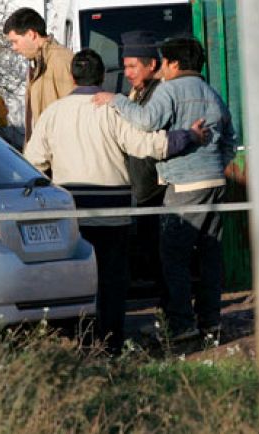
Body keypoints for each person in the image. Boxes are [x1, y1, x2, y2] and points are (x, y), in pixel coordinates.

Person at [23, 48, 207, 354]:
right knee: (112, 280)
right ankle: (111, 344)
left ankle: (81, 342)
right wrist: (187, 136)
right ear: (103, 77)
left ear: (72, 77)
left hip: (73, 212)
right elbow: (148, 145)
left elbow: (33, 162)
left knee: (78, 281)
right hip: (114, 213)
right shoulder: (112, 108)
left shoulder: (53, 113)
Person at [94, 37, 236, 341]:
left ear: (173, 64)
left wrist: (116, 100)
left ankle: (181, 324)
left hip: (184, 184)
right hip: (216, 184)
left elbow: (146, 122)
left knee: (173, 256)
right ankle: (211, 321)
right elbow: (230, 138)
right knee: (210, 254)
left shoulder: (171, 89)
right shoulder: (212, 92)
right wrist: (216, 164)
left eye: (164, 64)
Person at [120, 30, 166, 294]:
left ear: (152, 65)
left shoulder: (160, 94)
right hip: (143, 187)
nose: (127, 72)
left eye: (133, 66)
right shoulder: (137, 93)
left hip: (157, 187)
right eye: (125, 66)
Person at [3, 7, 74, 144]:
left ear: (31, 34)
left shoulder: (60, 61)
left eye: (15, 41)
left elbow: (75, 111)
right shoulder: (37, 63)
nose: (14, 48)